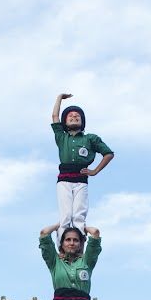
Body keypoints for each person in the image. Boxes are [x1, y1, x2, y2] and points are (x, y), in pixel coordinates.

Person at [49, 93, 113, 230]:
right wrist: (59, 98)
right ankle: (63, 242)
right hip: (64, 180)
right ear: (65, 122)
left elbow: (108, 154)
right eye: (70, 116)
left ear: (82, 122)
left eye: (77, 116)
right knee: (65, 215)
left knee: (79, 215)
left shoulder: (90, 138)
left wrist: (95, 171)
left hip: (81, 180)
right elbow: (54, 116)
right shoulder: (61, 137)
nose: (74, 116)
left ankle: (79, 242)